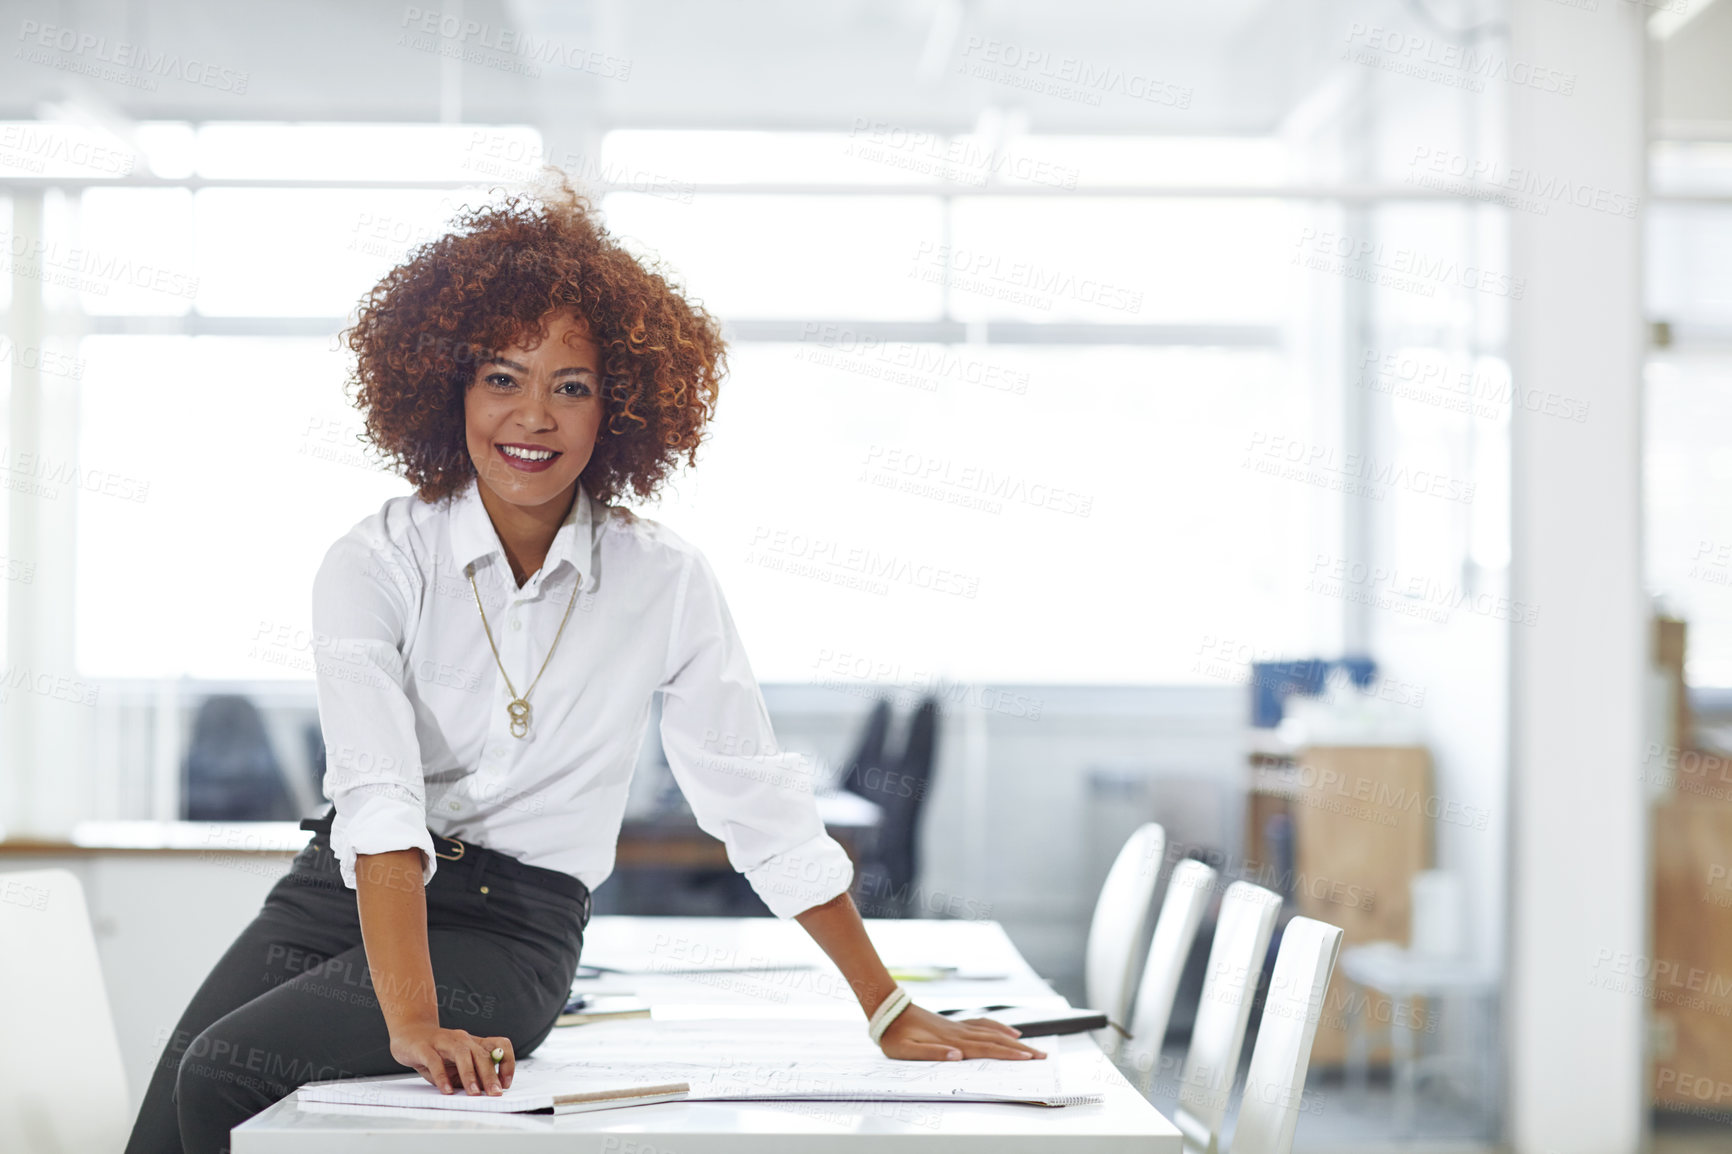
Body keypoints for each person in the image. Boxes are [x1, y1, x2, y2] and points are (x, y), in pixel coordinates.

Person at [124, 173, 1041, 1154]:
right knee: (168, 1105)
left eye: (572, 385)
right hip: (339, 891)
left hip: (512, 929)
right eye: (502, 378)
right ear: (450, 390)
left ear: (620, 408)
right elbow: (380, 799)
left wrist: (885, 1004)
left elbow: (758, 805)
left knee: (224, 1072)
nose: (534, 415)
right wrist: (409, 1014)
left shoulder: (663, 579)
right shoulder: (373, 560)